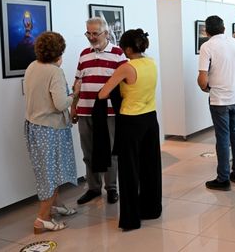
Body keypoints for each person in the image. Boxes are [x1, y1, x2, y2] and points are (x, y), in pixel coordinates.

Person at [97, 29, 162, 231]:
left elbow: (103, 93)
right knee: (151, 167)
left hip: (131, 121)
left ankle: (131, 218)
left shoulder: (126, 68)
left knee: (129, 171)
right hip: (151, 119)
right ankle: (151, 208)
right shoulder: (151, 63)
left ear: (126, 48)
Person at [23, 31, 78, 234]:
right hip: (49, 129)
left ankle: (55, 206)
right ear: (59, 52)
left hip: (34, 127)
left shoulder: (32, 66)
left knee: (49, 171)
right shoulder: (54, 72)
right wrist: (75, 93)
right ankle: (42, 219)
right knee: (50, 174)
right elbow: (60, 103)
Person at [71, 17, 126, 206]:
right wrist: (73, 106)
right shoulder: (84, 54)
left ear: (106, 33)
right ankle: (93, 188)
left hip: (109, 112)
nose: (91, 37)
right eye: (88, 33)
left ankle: (111, 188)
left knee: (110, 151)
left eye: (95, 33)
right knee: (88, 152)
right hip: (85, 110)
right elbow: (77, 82)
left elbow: (124, 84)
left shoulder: (118, 54)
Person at [197, 16, 235, 191]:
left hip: (219, 99)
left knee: (222, 137)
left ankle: (223, 179)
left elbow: (202, 79)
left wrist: (206, 87)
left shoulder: (207, 46)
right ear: (224, 29)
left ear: (207, 31)